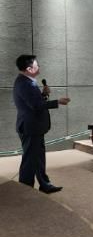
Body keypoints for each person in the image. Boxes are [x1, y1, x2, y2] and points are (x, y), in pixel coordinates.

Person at [13, 55, 71, 192]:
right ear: (29, 69)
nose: (39, 67)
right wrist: (57, 102)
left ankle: (45, 184)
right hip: (30, 127)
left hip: (35, 127)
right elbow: (35, 105)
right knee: (29, 160)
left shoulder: (27, 81)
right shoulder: (24, 83)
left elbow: (35, 102)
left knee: (38, 157)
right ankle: (25, 190)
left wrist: (44, 95)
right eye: (36, 65)